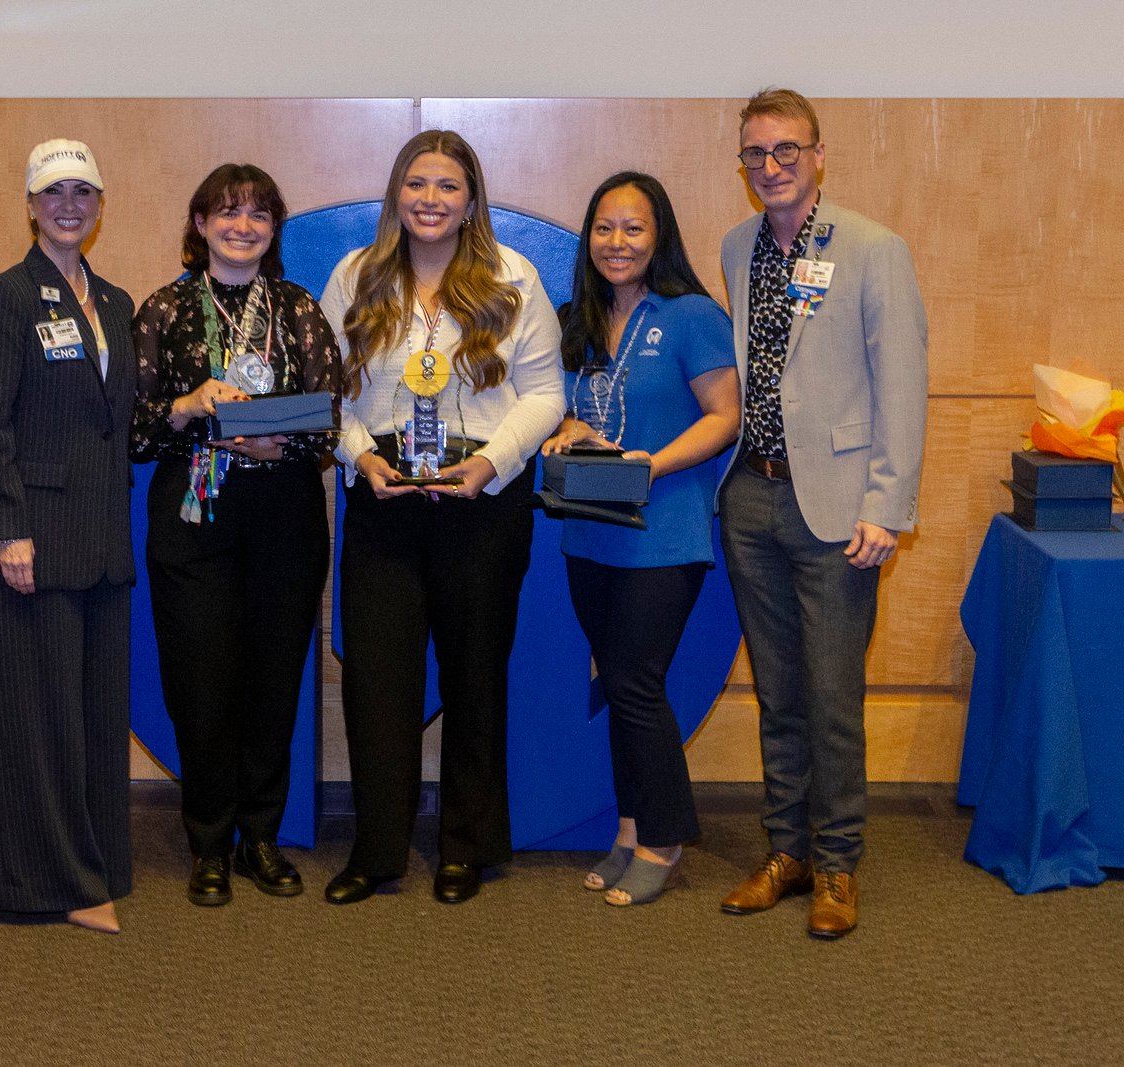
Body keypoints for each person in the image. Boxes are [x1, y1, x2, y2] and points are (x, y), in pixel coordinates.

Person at [318, 130, 564, 905]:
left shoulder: (510, 276)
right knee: (377, 683)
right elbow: (329, 394)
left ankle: (467, 845)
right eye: (417, 184)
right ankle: (378, 849)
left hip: (480, 501)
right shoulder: (355, 275)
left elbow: (546, 394)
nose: (430, 199)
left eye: (447, 186)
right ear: (396, 193)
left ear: (470, 200)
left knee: (475, 675)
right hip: (382, 497)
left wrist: (492, 464)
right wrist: (359, 457)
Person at [716, 88, 928, 938]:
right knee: (778, 693)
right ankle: (787, 851)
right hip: (752, 496)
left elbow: (902, 387)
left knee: (833, 693)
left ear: (818, 154)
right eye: (755, 155)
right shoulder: (737, 246)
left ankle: (838, 863)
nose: (770, 168)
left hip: (839, 509)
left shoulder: (873, 248)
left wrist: (888, 505)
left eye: (785, 152)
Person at [131, 163, 340, 907]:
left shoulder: (299, 309)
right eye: (226, 212)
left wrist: (272, 439)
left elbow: (327, 423)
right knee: (202, 683)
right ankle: (208, 843)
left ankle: (260, 836)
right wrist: (189, 405)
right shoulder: (163, 309)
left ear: (274, 227)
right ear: (200, 223)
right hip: (195, 519)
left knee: (272, 682)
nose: (242, 225)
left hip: (282, 515)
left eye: (257, 213)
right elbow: (132, 428)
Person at [540, 172, 740, 906]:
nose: (616, 242)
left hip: (665, 532)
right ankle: (628, 827)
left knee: (636, 684)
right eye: (603, 228)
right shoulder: (580, 318)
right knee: (618, 685)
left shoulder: (690, 315)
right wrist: (571, 430)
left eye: (633, 228)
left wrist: (652, 462)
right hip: (590, 532)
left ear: (660, 237)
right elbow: (581, 413)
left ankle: (663, 838)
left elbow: (724, 416)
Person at [0, 139, 137, 934]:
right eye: (53, 192)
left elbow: (115, 423)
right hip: (30, 542)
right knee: (36, 721)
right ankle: (44, 881)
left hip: (99, 542)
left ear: (100, 205)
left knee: (93, 717)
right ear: (29, 206)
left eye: (84, 191)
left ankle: (94, 863)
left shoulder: (117, 303)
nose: (70, 204)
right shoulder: (2, 299)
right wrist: (7, 533)